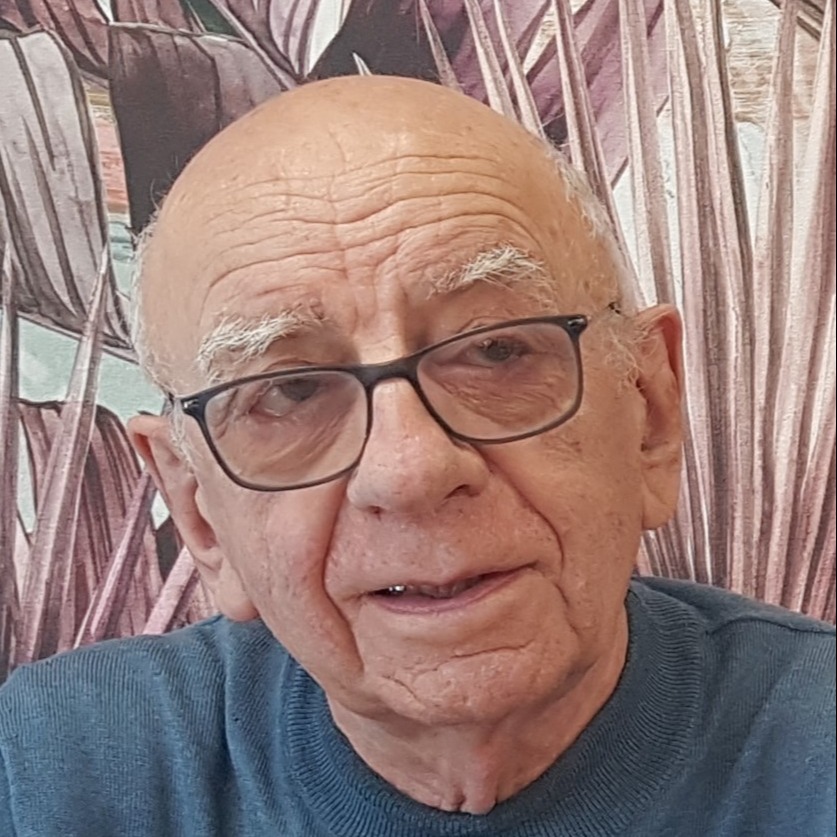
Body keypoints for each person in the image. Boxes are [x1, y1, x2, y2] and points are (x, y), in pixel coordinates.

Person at [0, 76, 833, 837]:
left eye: (496, 350)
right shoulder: (56, 770)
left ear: (647, 411)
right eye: (289, 391)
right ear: (200, 514)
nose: (409, 470)